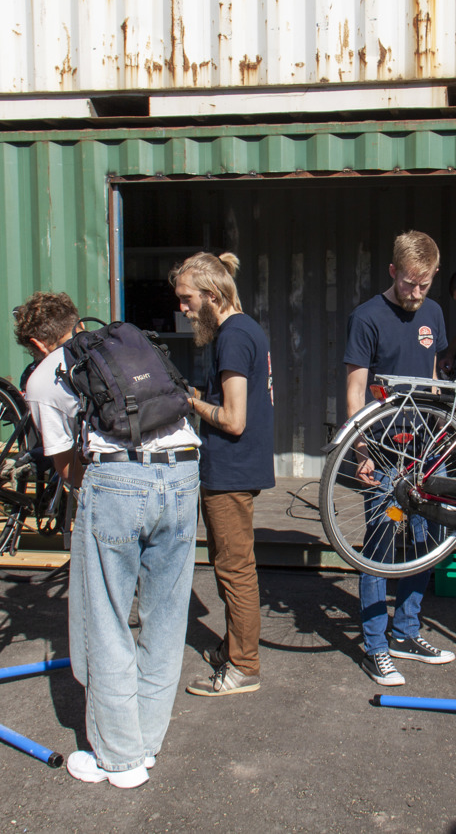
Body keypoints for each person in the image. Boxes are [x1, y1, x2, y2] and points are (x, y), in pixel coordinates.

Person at [13, 292, 200, 789]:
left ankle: (119, 758)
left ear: (37, 342)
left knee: (106, 619)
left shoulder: (44, 376)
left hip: (118, 478)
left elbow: (67, 468)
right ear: (75, 323)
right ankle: (146, 743)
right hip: (184, 471)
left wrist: (101, 491)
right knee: (166, 616)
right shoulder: (126, 343)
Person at [344, 230, 456, 686]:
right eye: (409, 283)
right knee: (383, 544)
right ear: (393, 271)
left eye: (424, 283)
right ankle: (375, 646)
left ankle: (406, 631)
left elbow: (432, 376)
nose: (415, 292)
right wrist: (361, 450)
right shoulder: (367, 317)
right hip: (384, 452)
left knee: (430, 538)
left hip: (425, 452)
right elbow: (355, 391)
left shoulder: (433, 313)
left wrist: (441, 436)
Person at [170, 252, 274, 696]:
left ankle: (243, 667)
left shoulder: (233, 337)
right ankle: (233, 647)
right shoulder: (243, 330)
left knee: (235, 570)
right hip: (234, 467)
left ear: (212, 295)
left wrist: (191, 403)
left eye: (188, 299)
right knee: (229, 565)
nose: (183, 309)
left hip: (230, 469)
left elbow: (233, 420)